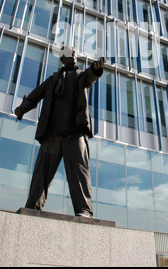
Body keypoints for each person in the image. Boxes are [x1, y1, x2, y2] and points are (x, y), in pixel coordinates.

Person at [15, 46, 105, 218]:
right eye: (68, 53)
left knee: (80, 171)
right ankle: (32, 207)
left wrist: (96, 69)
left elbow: (90, 76)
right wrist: (21, 109)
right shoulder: (53, 79)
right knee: (41, 173)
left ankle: (83, 209)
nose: (72, 54)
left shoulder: (81, 76)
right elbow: (34, 96)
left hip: (75, 133)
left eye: (74, 52)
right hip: (52, 135)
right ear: (63, 59)